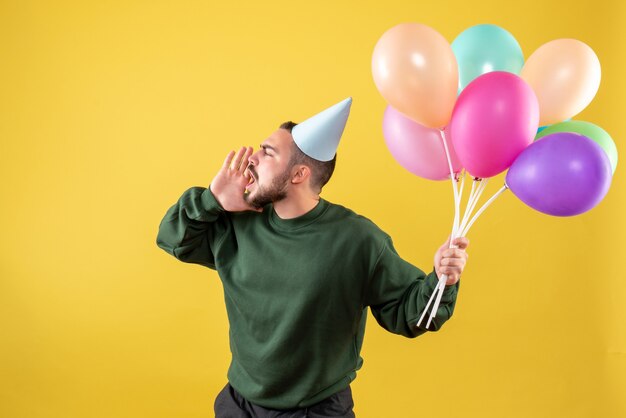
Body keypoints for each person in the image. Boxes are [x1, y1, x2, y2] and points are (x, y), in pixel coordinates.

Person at [156, 98, 469, 417]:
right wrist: (213, 198)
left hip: (316, 410)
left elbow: (411, 315)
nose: (252, 157)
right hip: (239, 405)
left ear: (298, 174)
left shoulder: (357, 240)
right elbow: (171, 239)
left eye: (267, 152)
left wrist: (444, 278)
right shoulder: (237, 221)